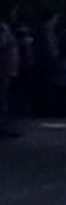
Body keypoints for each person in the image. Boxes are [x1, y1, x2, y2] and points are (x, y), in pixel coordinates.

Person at [0, 8, 20, 138]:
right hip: (3, 69)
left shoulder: (5, 29)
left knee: (4, 100)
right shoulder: (2, 29)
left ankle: (4, 126)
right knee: (2, 100)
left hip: (7, 69)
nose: (15, 16)